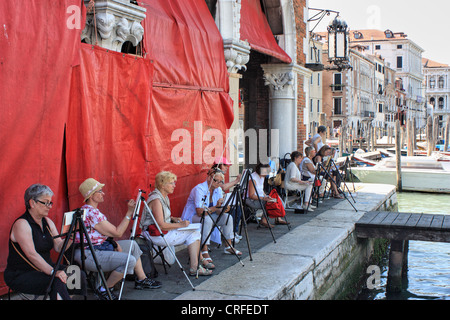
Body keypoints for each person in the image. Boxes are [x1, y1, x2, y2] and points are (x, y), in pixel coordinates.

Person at [74, 178, 161, 300]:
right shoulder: (91, 212)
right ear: (92, 195)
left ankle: (142, 279)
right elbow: (118, 232)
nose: (103, 193)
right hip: (91, 253)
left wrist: (113, 243)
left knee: (133, 245)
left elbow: (104, 235)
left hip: (97, 248)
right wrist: (129, 213)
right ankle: (104, 289)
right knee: (129, 260)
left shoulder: (89, 210)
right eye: (100, 191)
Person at [4, 184, 86, 300]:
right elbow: (32, 255)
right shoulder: (22, 224)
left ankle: (67, 297)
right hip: (22, 273)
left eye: (50, 203)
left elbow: (58, 247)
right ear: (32, 203)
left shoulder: (47, 222)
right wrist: (53, 271)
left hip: (45, 267)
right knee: (56, 280)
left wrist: (71, 237)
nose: (49, 206)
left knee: (76, 274)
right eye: (45, 202)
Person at [140, 171, 212, 276]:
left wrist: (174, 219)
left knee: (195, 231)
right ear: (163, 185)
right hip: (155, 234)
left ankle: (197, 265)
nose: (174, 185)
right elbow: (160, 225)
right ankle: (195, 267)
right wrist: (181, 225)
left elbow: (162, 218)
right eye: (172, 183)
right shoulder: (156, 199)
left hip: (160, 231)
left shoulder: (163, 196)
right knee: (194, 233)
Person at [181, 171, 240, 269]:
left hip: (210, 215)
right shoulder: (199, 189)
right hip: (193, 217)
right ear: (209, 178)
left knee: (227, 217)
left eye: (221, 182)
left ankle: (228, 246)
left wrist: (224, 208)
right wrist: (217, 207)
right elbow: (200, 212)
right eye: (216, 180)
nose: (218, 183)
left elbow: (218, 211)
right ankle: (204, 250)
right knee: (207, 219)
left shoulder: (218, 190)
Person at [245, 163, 285, 227]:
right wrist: (264, 198)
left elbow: (261, 190)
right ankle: (264, 220)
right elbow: (251, 195)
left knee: (277, 199)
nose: (267, 174)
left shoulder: (262, 177)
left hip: (259, 198)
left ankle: (278, 217)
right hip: (251, 200)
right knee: (269, 202)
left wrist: (266, 196)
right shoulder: (253, 179)